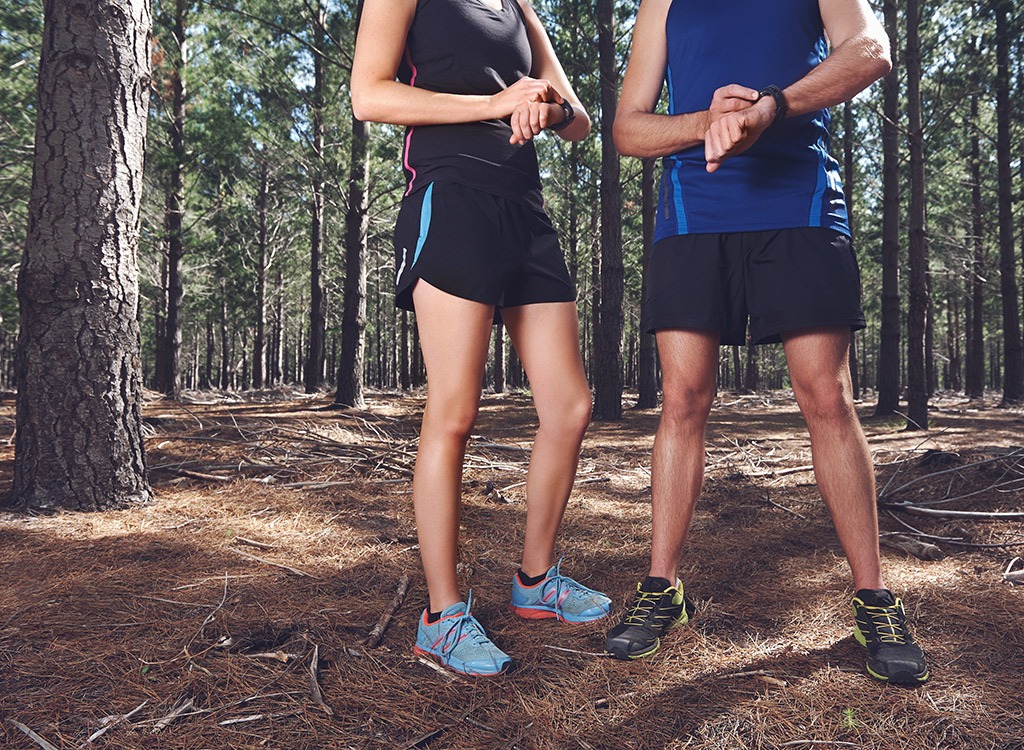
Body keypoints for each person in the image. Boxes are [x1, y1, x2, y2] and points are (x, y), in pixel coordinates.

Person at [603, 0, 929, 686]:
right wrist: (708, 122)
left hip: (800, 202)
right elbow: (628, 128)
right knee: (682, 398)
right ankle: (662, 588)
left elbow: (870, 49)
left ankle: (875, 599)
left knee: (826, 397)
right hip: (693, 213)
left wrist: (769, 109)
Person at [351, 0, 611, 677]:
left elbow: (580, 121)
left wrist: (545, 108)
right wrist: (495, 104)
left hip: (524, 208)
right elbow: (368, 95)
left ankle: (535, 580)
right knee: (456, 410)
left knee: (569, 406)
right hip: (452, 194)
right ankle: (441, 616)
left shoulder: (521, 5)